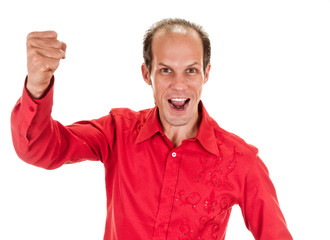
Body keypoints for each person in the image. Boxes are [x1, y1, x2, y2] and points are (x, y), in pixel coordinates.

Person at [11, 18, 293, 240]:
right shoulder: (117, 132)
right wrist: (37, 86)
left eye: (191, 70)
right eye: (166, 70)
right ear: (147, 73)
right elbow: (38, 149)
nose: (179, 84)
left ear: (207, 73)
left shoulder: (240, 161)